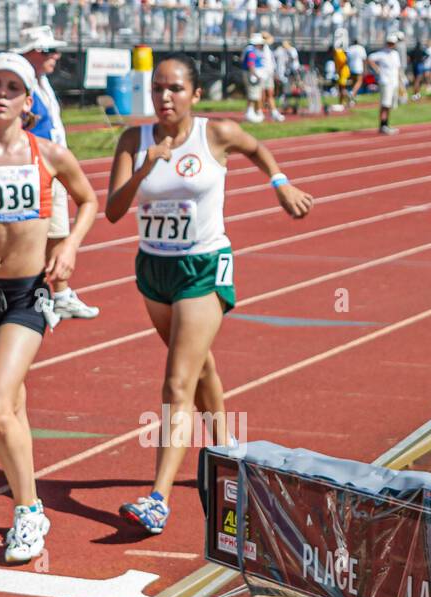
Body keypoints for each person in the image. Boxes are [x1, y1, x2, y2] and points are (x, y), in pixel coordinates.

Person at [105, 53, 313, 534]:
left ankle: (157, 498)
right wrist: (143, 168)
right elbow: (114, 210)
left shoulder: (214, 133)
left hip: (203, 267)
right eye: (157, 88)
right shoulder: (134, 139)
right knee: (202, 368)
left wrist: (280, 184)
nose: (164, 97)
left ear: (195, 94)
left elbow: (257, 147)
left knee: (177, 383)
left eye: (175, 89)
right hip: (154, 268)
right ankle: (229, 456)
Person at [0, 53, 97, 564]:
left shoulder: (47, 155)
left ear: (28, 101)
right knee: (12, 406)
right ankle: (24, 489)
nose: (2, 94)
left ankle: (28, 510)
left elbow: (89, 200)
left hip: (30, 294)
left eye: (13, 87)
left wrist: (69, 246)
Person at [15, 25, 101, 321]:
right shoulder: (20, 83)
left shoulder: (41, 81)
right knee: (37, 234)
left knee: (58, 231)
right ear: (33, 53)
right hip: (36, 168)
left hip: (54, 167)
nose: (56, 55)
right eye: (49, 50)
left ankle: (60, 294)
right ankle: (37, 298)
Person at [367, 31, 402, 134]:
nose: (391, 45)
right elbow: (370, 58)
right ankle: (382, 125)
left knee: (389, 105)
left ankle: (386, 124)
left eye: (393, 43)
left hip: (394, 82)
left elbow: (397, 69)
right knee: (385, 104)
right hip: (386, 82)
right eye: (389, 43)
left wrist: (400, 84)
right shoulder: (382, 53)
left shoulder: (395, 54)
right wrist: (377, 69)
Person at [242, 31, 266, 123]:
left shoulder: (249, 49)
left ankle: (252, 112)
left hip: (251, 73)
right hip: (252, 75)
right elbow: (251, 65)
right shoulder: (251, 51)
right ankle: (251, 113)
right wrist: (256, 75)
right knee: (253, 94)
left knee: (253, 94)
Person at [344, 33, 366, 108]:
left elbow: (347, 59)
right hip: (359, 67)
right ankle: (352, 93)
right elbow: (364, 59)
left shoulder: (350, 48)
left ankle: (352, 99)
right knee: (359, 81)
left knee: (353, 82)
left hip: (351, 67)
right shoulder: (361, 48)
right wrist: (365, 69)